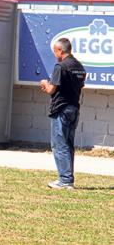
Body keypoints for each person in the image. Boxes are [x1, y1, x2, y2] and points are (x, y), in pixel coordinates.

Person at [40, 38, 86, 190]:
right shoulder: (79, 66)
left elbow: (51, 89)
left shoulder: (60, 66)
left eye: (55, 51)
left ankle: (65, 180)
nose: (55, 55)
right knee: (68, 144)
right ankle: (67, 178)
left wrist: (45, 84)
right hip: (74, 108)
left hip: (61, 109)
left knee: (59, 145)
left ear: (60, 50)